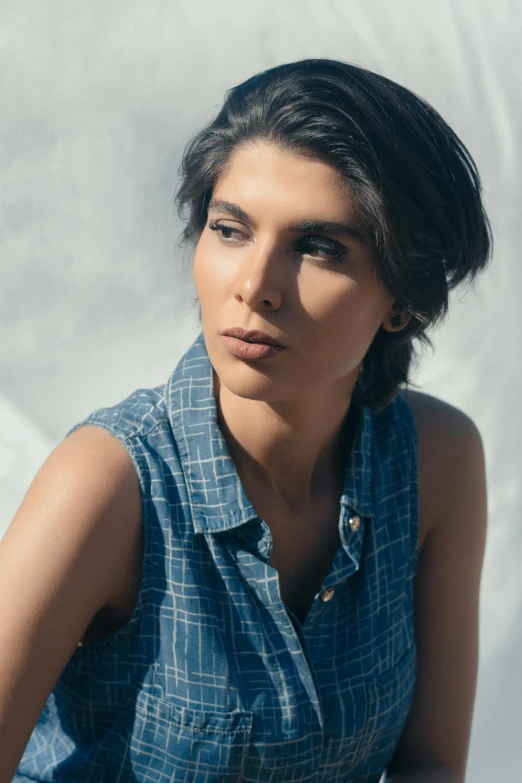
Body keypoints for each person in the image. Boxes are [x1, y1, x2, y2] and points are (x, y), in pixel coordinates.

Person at [0, 58, 490, 783]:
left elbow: (431, 765)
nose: (255, 286)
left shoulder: (436, 462)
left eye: (318, 247)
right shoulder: (109, 484)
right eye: (230, 230)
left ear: (403, 296)